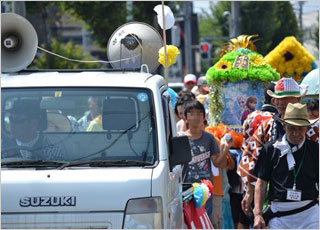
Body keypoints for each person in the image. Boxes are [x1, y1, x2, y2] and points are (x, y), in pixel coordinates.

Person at [237, 78, 319, 217]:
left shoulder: (313, 128)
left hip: (308, 203)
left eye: (287, 98)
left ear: (298, 99)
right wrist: (250, 193)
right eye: (277, 98)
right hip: (274, 200)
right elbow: (252, 160)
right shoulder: (267, 126)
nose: (281, 102)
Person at [254, 103, 319, 229]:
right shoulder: (270, 149)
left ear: (306, 128)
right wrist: (258, 214)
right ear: (283, 126)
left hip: (310, 214)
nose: (296, 133)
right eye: (291, 128)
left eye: (300, 128)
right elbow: (261, 183)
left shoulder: (316, 150)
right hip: (279, 216)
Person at [181, 100, 234, 227]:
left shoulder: (209, 138)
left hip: (206, 191)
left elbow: (218, 164)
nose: (196, 117)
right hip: (186, 191)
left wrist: (226, 149)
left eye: (199, 113)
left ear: (204, 117)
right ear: (185, 117)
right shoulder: (180, 139)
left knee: (207, 224)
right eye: (192, 114)